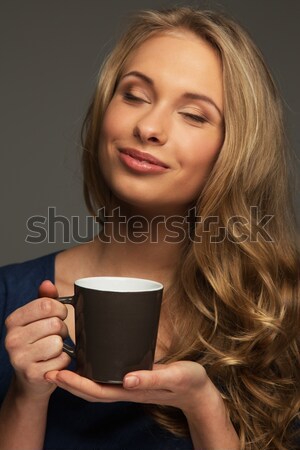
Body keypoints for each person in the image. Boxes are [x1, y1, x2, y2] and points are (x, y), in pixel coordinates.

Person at [0, 6, 299, 450]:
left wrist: (203, 407)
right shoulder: (9, 296)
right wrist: (26, 397)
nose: (149, 127)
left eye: (194, 115)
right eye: (135, 96)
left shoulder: (278, 313)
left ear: (235, 150)